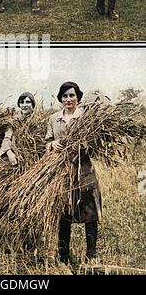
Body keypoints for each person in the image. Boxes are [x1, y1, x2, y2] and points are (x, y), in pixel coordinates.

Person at [45, 82, 101, 264]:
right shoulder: (54, 118)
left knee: (90, 210)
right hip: (62, 172)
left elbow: (95, 143)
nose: (68, 99)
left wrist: (83, 146)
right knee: (64, 211)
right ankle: (64, 255)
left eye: (72, 95)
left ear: (78, 97)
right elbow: (47, 142)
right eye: (65, 96)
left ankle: (91, 254)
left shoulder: (86, 117)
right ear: (60, 98)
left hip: (83, 169)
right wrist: (52, 144)